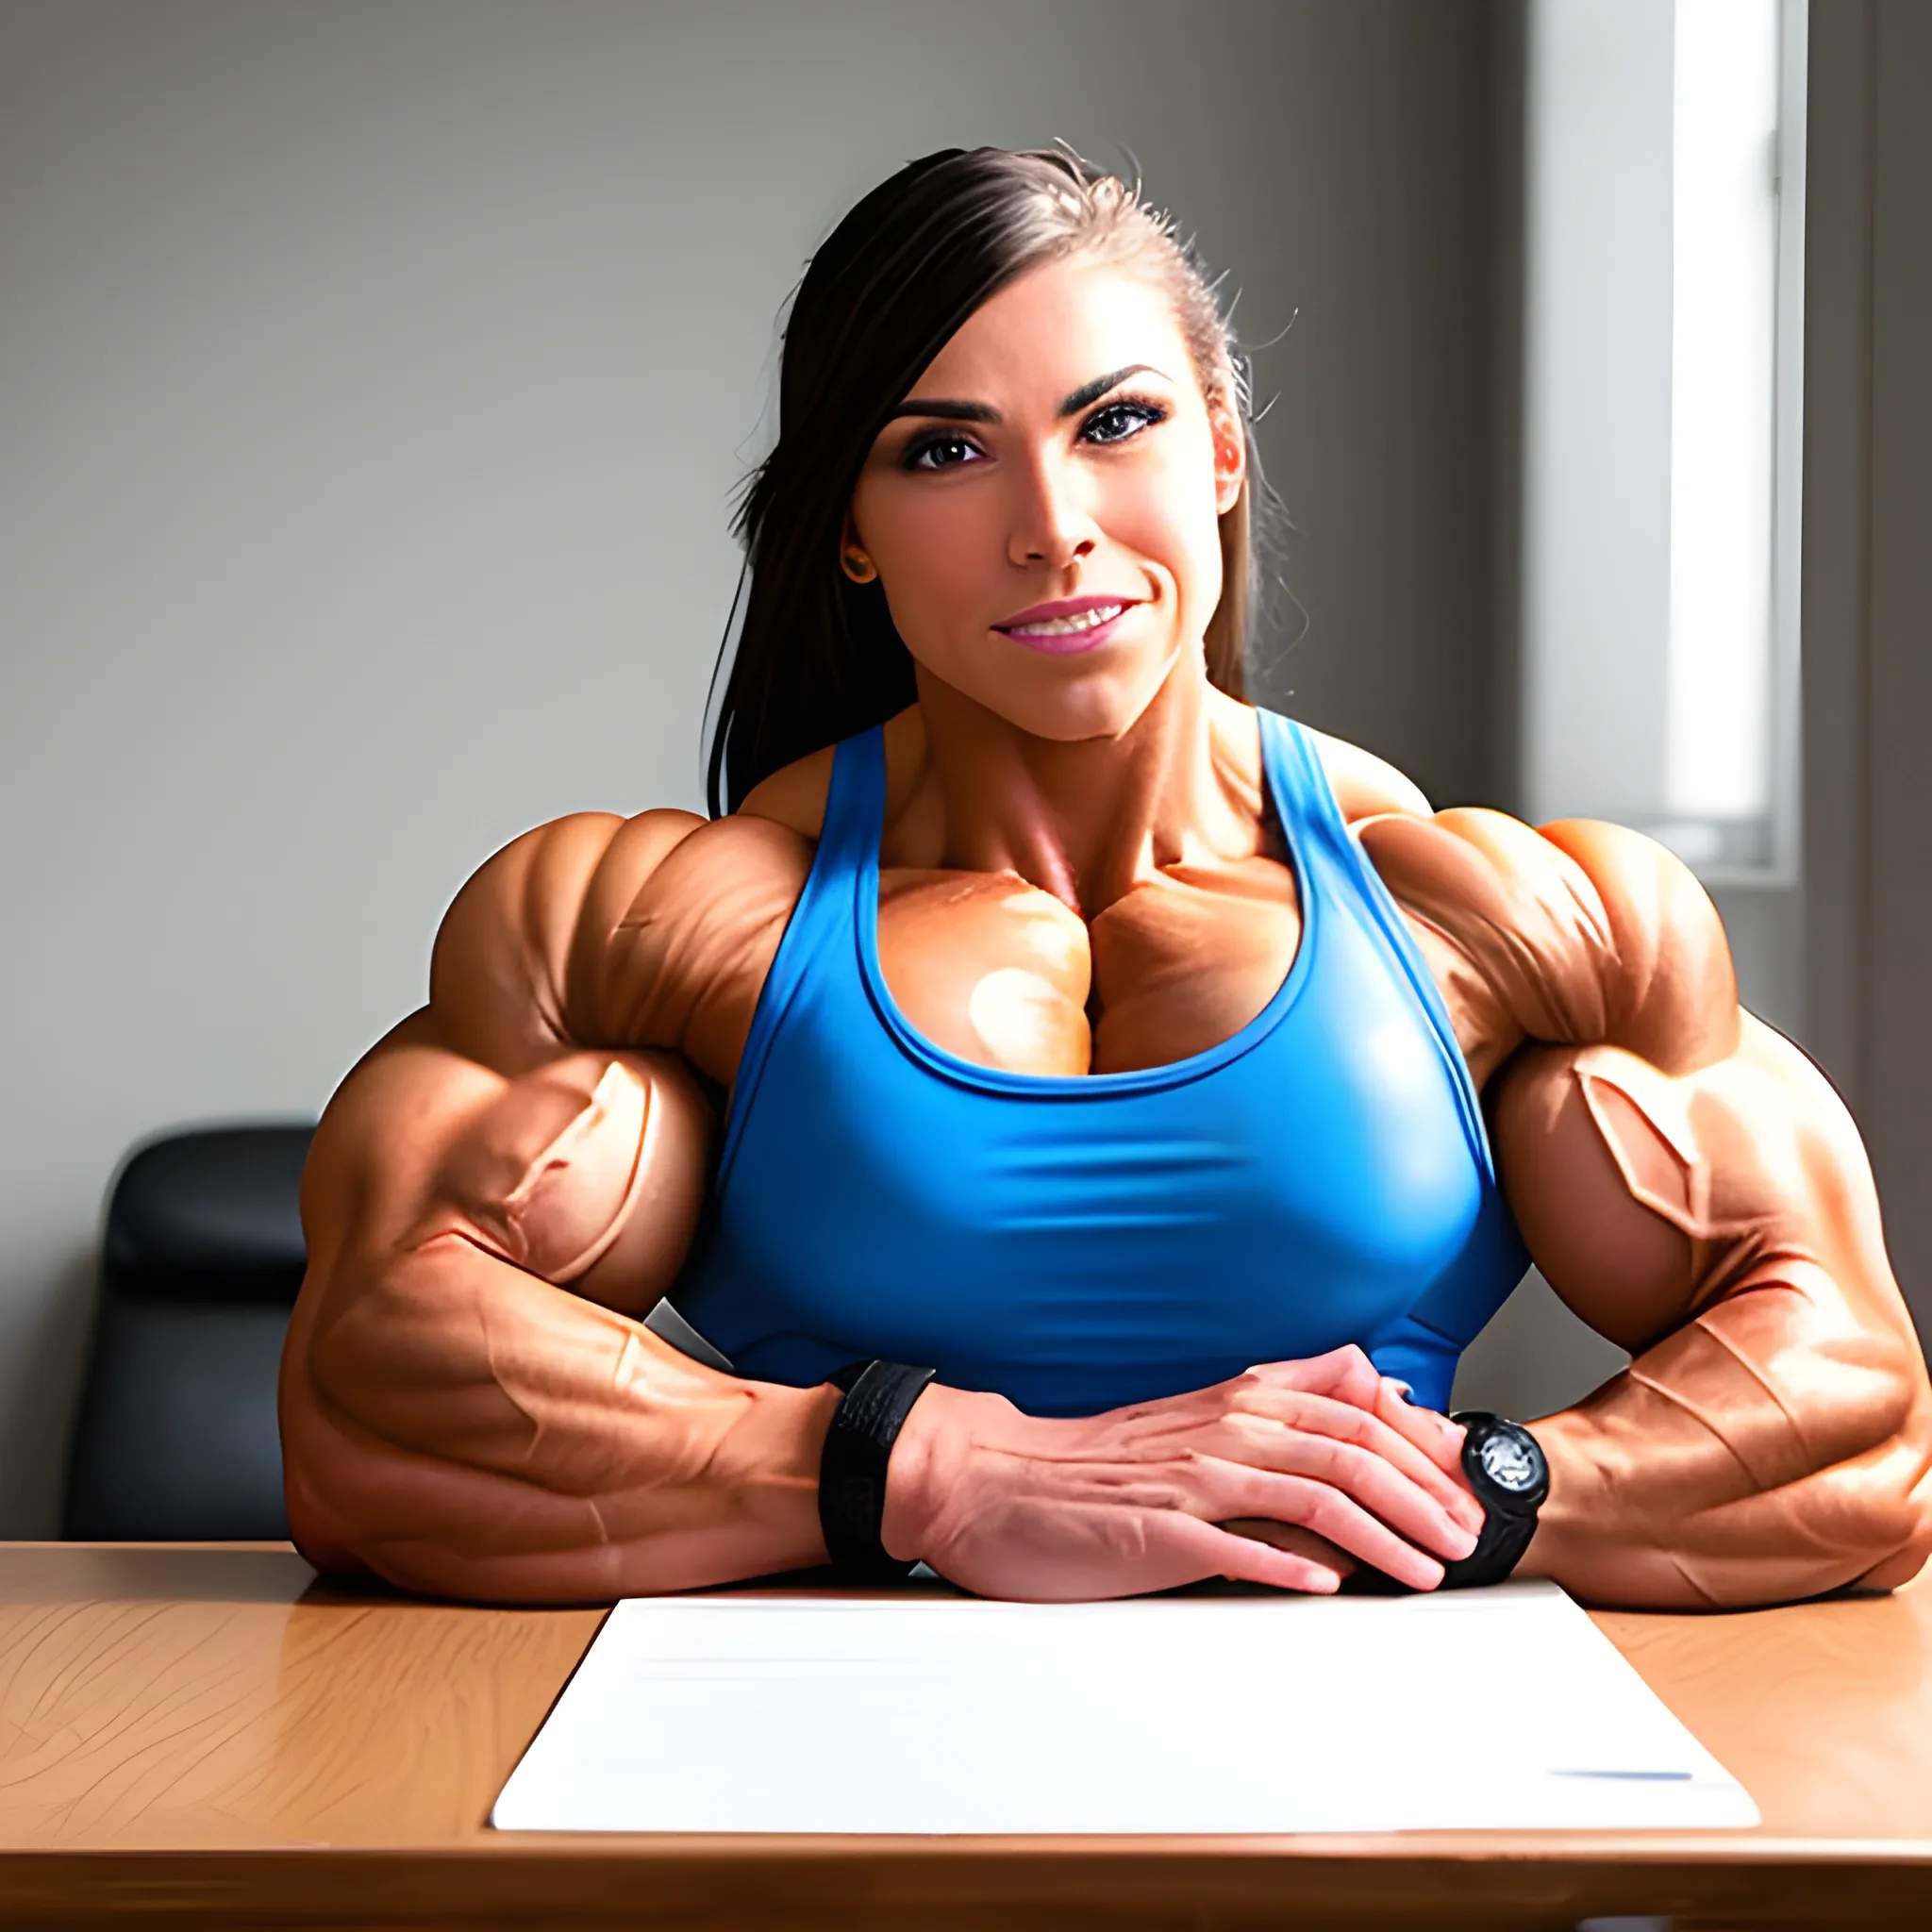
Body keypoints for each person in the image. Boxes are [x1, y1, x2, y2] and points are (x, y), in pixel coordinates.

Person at [280, 147, 1932, 1608]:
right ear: (847, 529)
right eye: (943, 453)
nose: (1051, 526)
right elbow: (367, 1402)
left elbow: (1863, 1418)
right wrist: (934, 1473)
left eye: (1116, 422)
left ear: (1219, 451)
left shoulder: (1502, 920)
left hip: (1364, 1751)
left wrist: (1463, 1497)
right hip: (819, 1755)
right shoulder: (655, 930)